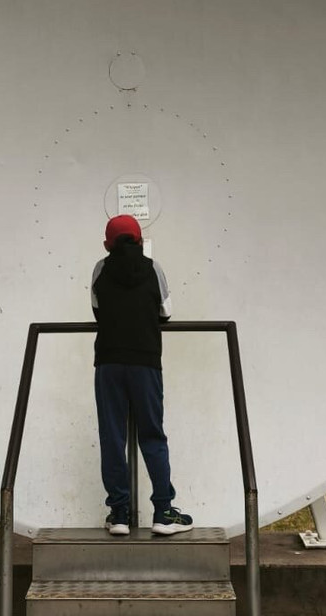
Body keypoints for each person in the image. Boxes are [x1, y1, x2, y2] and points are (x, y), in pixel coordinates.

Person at [91, 214, 193, 536]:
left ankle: (119, 513)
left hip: (108, 362)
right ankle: (163, 510)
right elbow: (166, 311)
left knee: (112, 436)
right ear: (139, 240)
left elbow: (95, 308)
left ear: (107, 243)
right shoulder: (153, 268)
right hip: (145, 362)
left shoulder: (100, 269)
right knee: (152, 435)